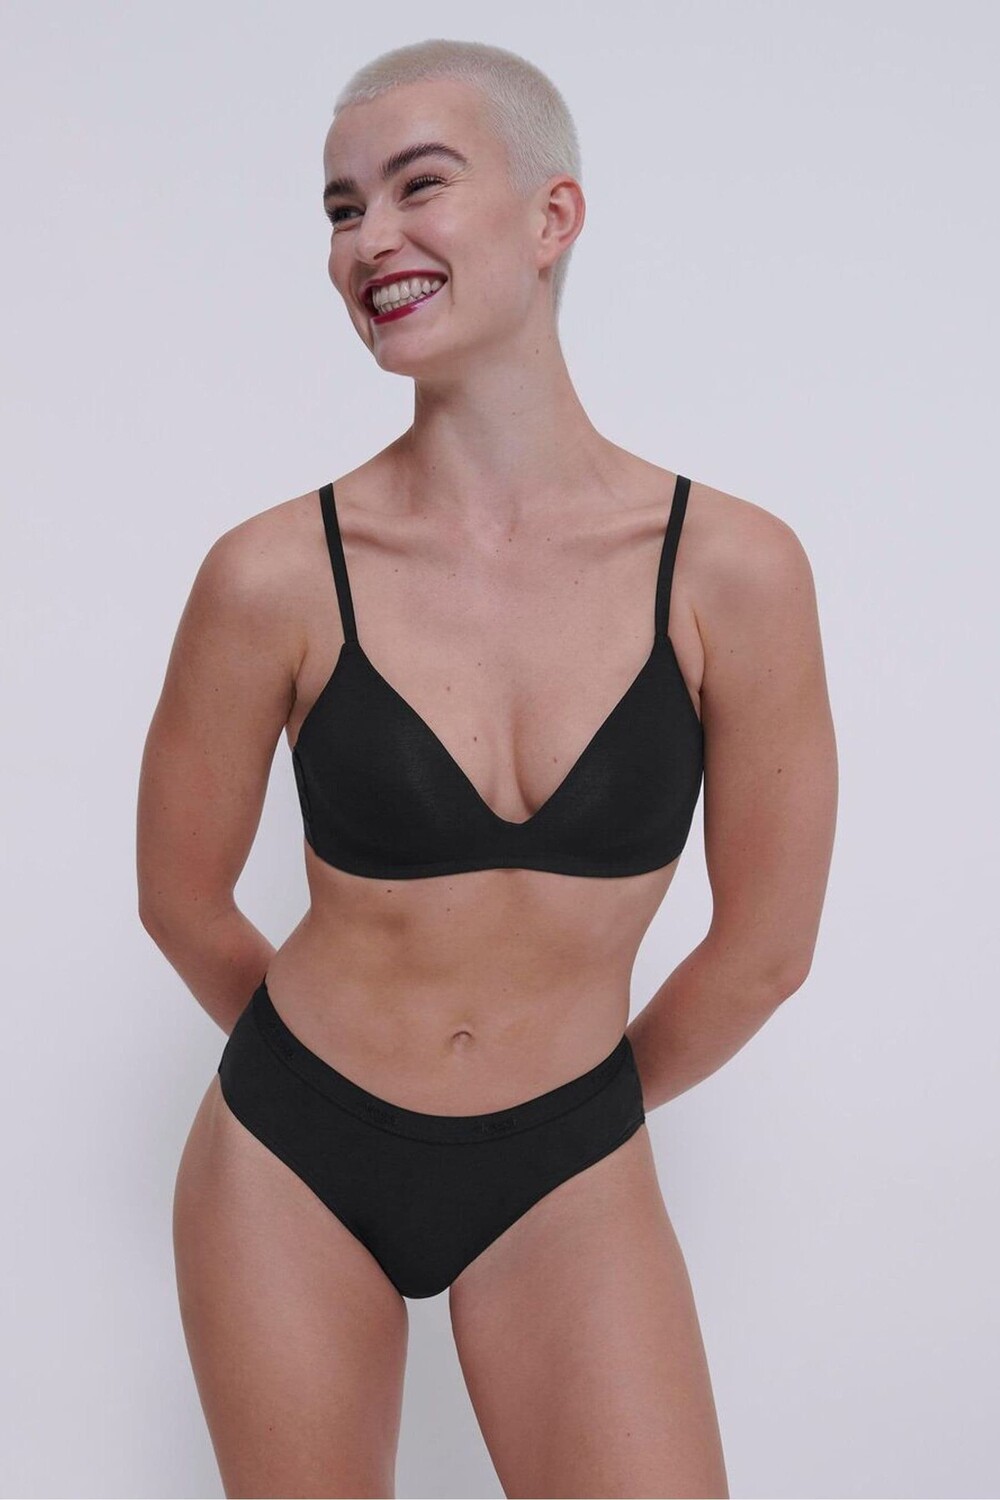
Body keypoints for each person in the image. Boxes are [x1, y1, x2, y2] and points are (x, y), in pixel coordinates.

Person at [137, 37, 838, 1500]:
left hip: (567, 1161)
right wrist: (329, 1091)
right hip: (290, 1158)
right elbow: (180, 900)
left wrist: (567, 1110)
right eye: (342, 209)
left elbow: (767, 951)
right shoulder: (272, 575)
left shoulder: (734, 569)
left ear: (551, 215)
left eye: (419, 186)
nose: (368, 239)